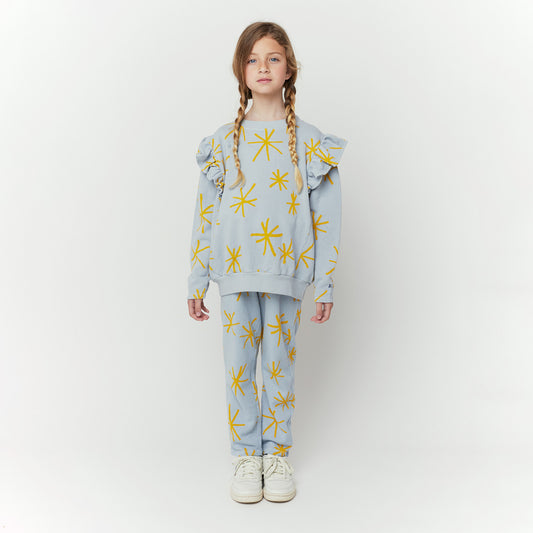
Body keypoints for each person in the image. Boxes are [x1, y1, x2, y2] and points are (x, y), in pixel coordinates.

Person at [186, 21, 348, 504]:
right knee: (238, 366)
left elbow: (328, 220)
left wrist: (325, 282)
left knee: (279, 367)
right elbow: (205, 214)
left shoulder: (311, 142)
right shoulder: (222, 142)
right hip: (235, 274)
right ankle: (246, 455)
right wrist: (197, 278)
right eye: (253, 59)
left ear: (288, 68)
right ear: (241, 70)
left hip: (286, 273)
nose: (263, 67)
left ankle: (276, 454)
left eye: (273, 58)